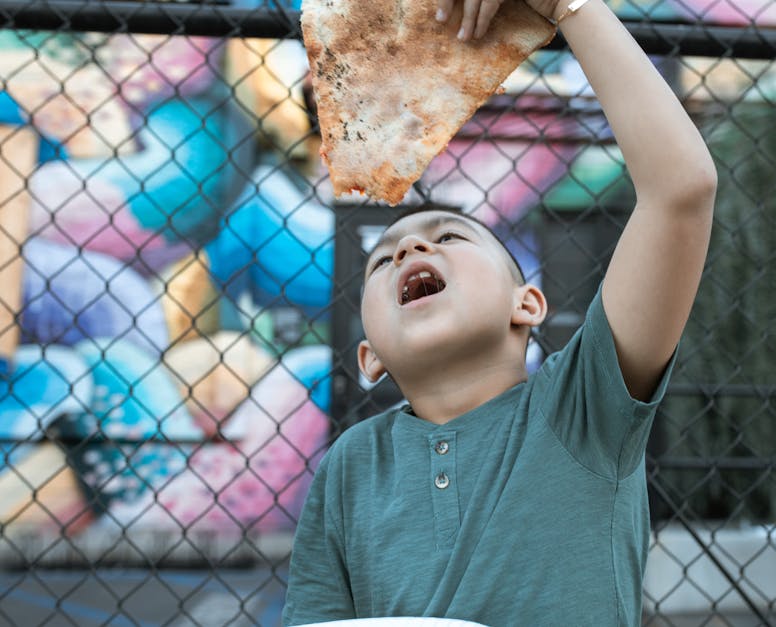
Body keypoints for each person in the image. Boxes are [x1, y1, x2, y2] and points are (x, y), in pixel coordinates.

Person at [283, 0, 716, 622]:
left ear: (527, 304)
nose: (409, 248)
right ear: (369, 357)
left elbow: (681, 190)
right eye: (382, 261)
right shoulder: (350, 466)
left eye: (449, 236)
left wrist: (566, 6)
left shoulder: (583, 406)